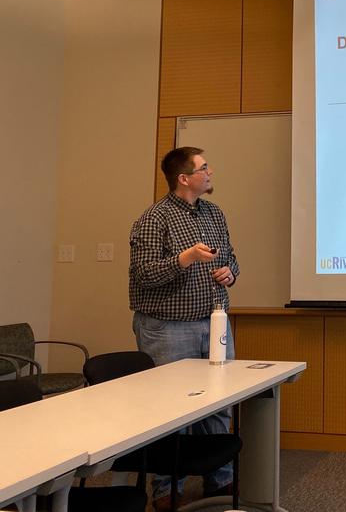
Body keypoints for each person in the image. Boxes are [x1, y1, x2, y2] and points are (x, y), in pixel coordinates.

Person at [129, 146, 240, 510]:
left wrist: (230, 273)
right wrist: (185, 258)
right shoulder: (154, 218)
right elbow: (143, 275)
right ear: (184, 178)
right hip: (168, 328)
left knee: (219, 403)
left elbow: (230, 257)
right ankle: (166, 489)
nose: (210, 172)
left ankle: (219, 478)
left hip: (214, 321)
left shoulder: (214, 213)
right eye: (204, 168)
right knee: (170, 409)